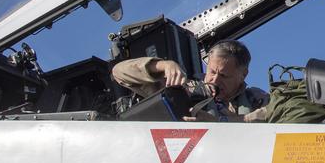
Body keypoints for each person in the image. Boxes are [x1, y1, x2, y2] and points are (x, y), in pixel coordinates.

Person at [111, 39, 269, 121]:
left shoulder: (256, 99)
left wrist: (219, 121)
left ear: (243, 74)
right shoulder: (185, 89)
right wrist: (162, 65)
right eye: (212, 71)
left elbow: (278, 116)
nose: (214, 79)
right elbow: (119, 72)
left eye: (224, 76)